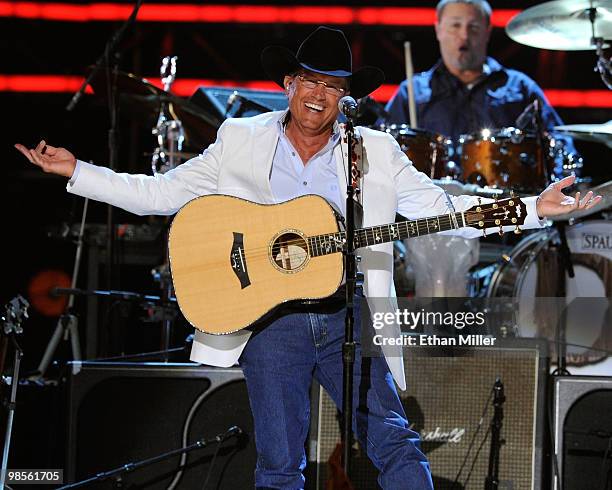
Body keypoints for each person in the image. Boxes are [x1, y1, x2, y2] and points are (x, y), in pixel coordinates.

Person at [15, 26, 599, 490]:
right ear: (290, 83)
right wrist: (78, 172)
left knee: (393, 441)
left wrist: (532, 208)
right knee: (278, 464)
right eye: (310, 82)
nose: (319, 96)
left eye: (333, 86)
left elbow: (442, 203)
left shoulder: (371, 150)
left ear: (345, 96)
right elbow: (161, 193)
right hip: (273, 322)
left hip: (350, 315)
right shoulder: (239, 139)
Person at [384, 0, 578, 178]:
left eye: (473, 27)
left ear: (487, 31)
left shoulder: (520, 87)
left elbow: (559, 143)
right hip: (435, 207)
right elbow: (384, 153)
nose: (464, 35)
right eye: (455, 25)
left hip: (508, 206)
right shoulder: (411, 92)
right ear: (438, 30)